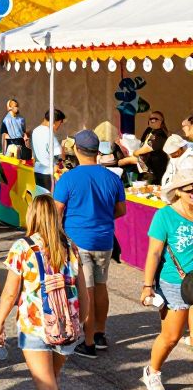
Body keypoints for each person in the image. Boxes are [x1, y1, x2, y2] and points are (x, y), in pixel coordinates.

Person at [0, 193, 87, 390]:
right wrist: (80, 321)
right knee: (51, 380)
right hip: (67, 324)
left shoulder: (23, 247)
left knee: (46, 385)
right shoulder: (71, 247)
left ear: (32, 215)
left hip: (34, 325)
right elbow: (83, 291)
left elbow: (10, 293)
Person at [52, 129, 126, 359]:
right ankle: (101, 333)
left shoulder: (68, 178)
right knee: (101, 286)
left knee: (87, 291)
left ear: (77, 149)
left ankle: (90, 341)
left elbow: (56, 211)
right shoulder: (112, 177)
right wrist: (101, 217)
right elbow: (121, 210)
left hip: (79, 241)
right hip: (104, 239)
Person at [141, 170, 193, 390]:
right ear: (178, 192)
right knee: (171, 337)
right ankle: (152, 372)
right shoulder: (165, 216)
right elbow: (154, 253)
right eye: (189, 190)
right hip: (174, 284)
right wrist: (147, 286)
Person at [32, 110, 65, 193]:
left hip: (37, 170)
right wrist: (63, 146)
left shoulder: (35, 131)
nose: (59, 126)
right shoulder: (49, 133)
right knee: (50, 201)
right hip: (49, 173)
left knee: (41, 199)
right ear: (54, 122)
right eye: (60, 123)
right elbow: (59, 155)